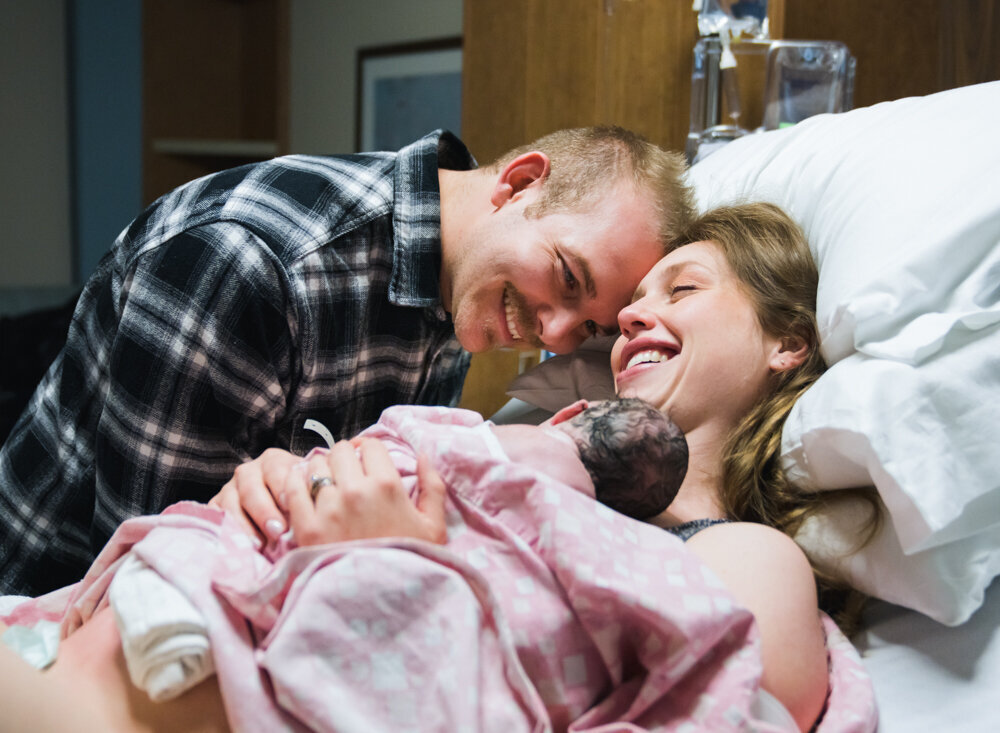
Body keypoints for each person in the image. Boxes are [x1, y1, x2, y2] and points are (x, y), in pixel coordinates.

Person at [215, 202, 854, 732]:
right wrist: (289, 490)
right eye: (628, 306)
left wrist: (390, 583)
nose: (629, 318)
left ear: (788, 342)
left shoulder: (753, 561)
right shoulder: (507, 454)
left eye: (683, 288)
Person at [0, 126, 694, 596]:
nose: (555, 330)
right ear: (518, 183)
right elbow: (153, 578)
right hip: (48, 616)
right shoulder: (250, 263)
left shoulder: (460, 286)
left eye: (590, 325)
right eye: (567, 278)